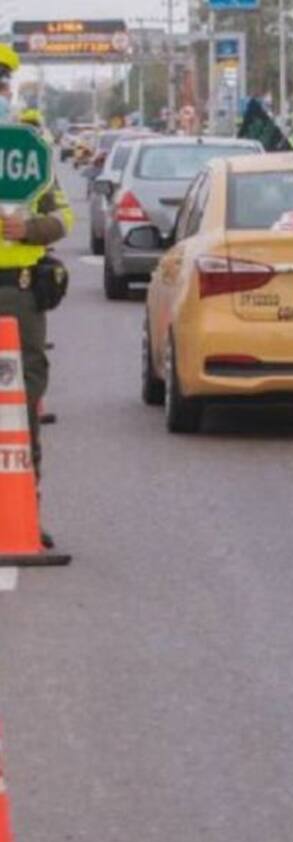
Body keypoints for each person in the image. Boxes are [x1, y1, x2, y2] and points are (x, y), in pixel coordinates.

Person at [0, 46, 73, 547]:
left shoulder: (29, 152)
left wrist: (29, 227)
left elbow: (63, 218)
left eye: (1, 81)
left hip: (18, 297)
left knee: (21, 404)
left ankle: (24, 510)